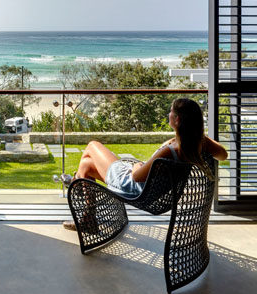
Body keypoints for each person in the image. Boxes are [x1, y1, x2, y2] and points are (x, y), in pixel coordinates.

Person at [60, 97, 228, 230]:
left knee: (92, 145)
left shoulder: (170, 150)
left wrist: (138, 165)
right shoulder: (195, 145)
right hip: (150, 190)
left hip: (132, 188)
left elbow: (136, 176)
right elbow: (223, 154)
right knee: (86, 165)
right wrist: (201, 138)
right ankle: (87, 215)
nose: (168, 114)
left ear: (177, 120)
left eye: (171, 112)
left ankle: (75, 183)